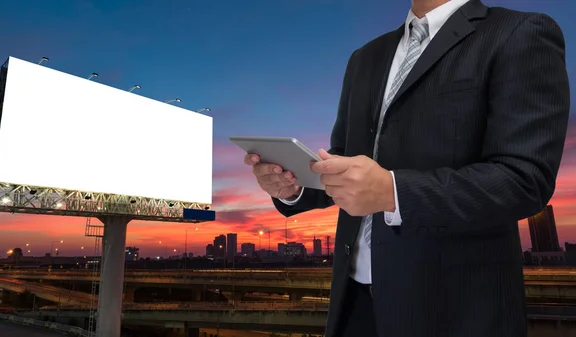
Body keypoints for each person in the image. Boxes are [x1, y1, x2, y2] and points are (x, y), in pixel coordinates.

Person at [243, 0, 570, 336]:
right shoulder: (364, 58)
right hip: (352, 303)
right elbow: (344, 159)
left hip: (455, 310)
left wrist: (394, 192)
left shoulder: (520, 32)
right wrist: (294, 188)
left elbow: (524, 180)